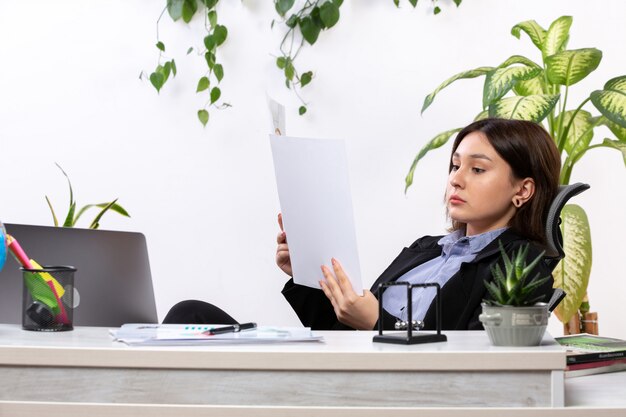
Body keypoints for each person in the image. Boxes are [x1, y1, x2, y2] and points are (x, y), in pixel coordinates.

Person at [164, 118, 560, 330]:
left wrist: (377, 322)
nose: (456, 178)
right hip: (337, 367)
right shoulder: (426, 249)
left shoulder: (520, 268)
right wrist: (306, 272)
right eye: (455, 165)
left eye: (477, 169)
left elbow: (478, 366)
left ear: (522, 190)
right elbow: (343, 333)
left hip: (380, 395)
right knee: (190, 315)